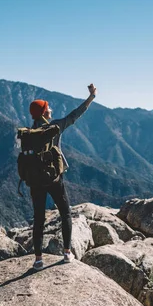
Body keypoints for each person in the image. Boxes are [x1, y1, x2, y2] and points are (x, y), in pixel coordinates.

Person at [28, 83, 97, 270]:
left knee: (39, 219)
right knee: (65, 213)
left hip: (35, 181)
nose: (50, 110)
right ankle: (67, 253)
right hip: (55, 179)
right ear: (43, 113)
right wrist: (91, 97)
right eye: (47, 108)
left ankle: (38, 259)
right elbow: (75, 115)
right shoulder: (55, 126)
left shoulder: (28, 133)